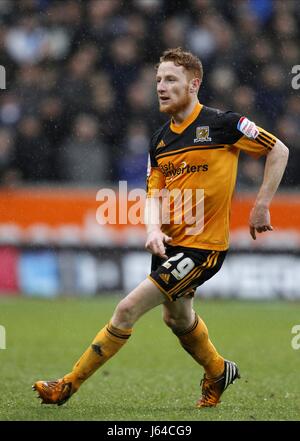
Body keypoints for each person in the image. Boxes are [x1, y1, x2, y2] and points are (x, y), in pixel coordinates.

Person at [33, 47, 289, 408]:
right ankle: (218, 370)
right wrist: (152, 230)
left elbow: (279, 150)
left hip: (205, 247)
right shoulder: (159, 141)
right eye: (157, 80)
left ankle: (66, 386)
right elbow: (154, 194)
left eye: (170, 79)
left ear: (193, 84)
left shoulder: (225, 124)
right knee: (176, 317)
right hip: (170, 244)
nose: (161, 87)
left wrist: (262, 203)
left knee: (126, 309)